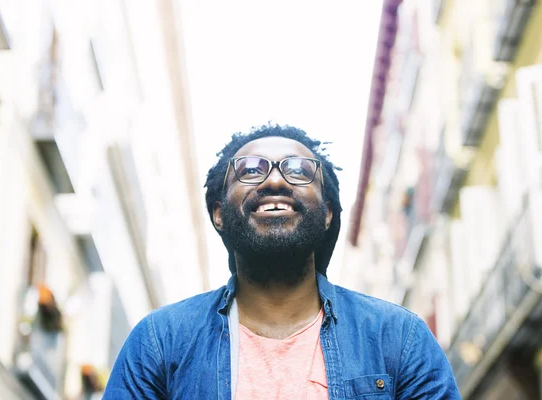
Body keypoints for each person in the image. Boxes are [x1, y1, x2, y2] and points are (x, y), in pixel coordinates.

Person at [103, 124, 461, 399]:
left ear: (327, 215)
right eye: (249, 170)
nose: (275, 179)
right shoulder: (160, 343)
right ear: (219, 214)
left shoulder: (398, 339)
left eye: (300, 171)